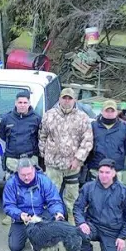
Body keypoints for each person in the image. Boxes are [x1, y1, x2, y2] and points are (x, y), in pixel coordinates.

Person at [38, 87, 93, 222]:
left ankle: (73, 223)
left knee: (72, 197)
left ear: (75, 100)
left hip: (72, 166)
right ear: (60, 99)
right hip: (53, 165)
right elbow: (42, 136)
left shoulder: (82, 118)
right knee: (50, 194)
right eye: (64, 98)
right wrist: (45, 155)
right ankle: (51, 222)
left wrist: (78, 159)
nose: (67, 101)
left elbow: (87, 140)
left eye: (70, 98)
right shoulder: (49, 115)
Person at [73, 160, 126, 251]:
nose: (104, 175)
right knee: (77, 232)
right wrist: (82, 223)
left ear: (114, 173)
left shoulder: (124, 192)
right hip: (92, 225)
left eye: (107, 172)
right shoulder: (89, 187)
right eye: (101, 172)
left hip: (112, 230)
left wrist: (122, 237)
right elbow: (78, 207)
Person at [2, 158, 66, 251]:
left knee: (50, 240)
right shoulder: (11, 183)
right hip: (23, 218)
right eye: (23, 175)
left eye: (29, 174)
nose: (26, 177)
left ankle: (44, 238)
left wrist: (58, 213)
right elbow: (8, 205)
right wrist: (19, 214)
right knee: (14, 247)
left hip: (41, 215)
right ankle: (29, 235)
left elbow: (54, 200)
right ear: (17, 172)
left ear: (34, 170)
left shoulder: (44, 180)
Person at [0, 90, 41, 225]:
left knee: (30, 186)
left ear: (29, 103)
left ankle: (31, 212)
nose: (22, 105)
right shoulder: (7, 118)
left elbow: (39, 137)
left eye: (25, 102)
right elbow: (2, 135)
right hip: (12, 158)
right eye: (20, 102)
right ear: (15, 103)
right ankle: (10, 214)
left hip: (29, 158)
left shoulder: (36, 118)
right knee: (11, 187)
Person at [86, 99, 126, 183]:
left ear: (116, 112)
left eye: (112, 111)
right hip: (96, 168)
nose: (109, 113)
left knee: (116, 194)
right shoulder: (93, 126)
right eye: (107, 110)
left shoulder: (124, 128)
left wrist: (119, 153)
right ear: (102, 111)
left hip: (116, 169)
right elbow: (86, 145)